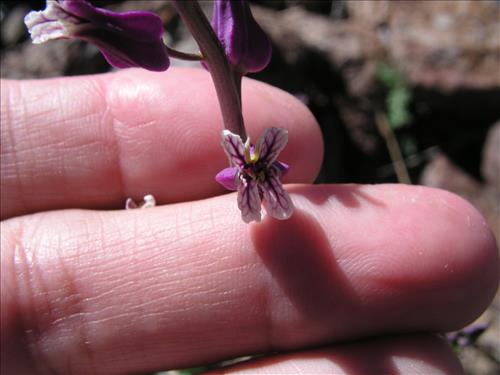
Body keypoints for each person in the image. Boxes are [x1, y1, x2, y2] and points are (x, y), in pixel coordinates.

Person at [1, 68, 498, 375]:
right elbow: (250, 171)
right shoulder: (251, 169)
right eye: (250, 163)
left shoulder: (253, 170)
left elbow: (255, 173)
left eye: (258, 163)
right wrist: (251, 172)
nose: (257, 163)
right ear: (243, 163)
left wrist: (250, 172)